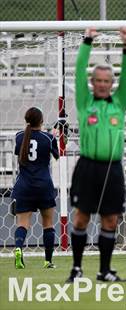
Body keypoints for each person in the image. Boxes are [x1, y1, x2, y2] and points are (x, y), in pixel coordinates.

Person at [66, 26, 126, 282]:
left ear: (111, 84)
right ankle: (76, 269)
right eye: (99, 81)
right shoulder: (85, 102)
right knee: (81, 218)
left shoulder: (119, 103)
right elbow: (78, 70)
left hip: (113, 169)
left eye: (107, 81)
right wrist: (87, 40)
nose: (103, 84)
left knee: (110, 220)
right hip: (88, 167)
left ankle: (104, 271)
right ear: (93, 83)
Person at [12, 107, 59, 269]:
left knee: (22, 223)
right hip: (43, 186)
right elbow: (57, 155)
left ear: (27, 120)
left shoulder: (19, 137)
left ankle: (18, 248)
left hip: (24, 186)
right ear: (41, 120)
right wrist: (56, 136)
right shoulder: (48, 138)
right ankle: (47, 261)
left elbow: (22, 150)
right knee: (47, 223)